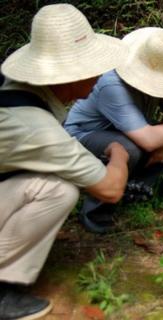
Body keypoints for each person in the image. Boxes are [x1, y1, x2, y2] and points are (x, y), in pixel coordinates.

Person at [0, 4, 130, 319]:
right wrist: (120, 154)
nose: (99, 76)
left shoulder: (16, 86)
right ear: (71, 76)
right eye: (94, 70)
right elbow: (111, 189)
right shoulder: (33, 125)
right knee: (60, 190)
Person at [64, 27, 163, 233]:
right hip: (83, 135)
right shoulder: (112, 84)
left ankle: (131, 190)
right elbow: (148, 140)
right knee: (127, 149)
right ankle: (96, 214)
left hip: (129, 131)